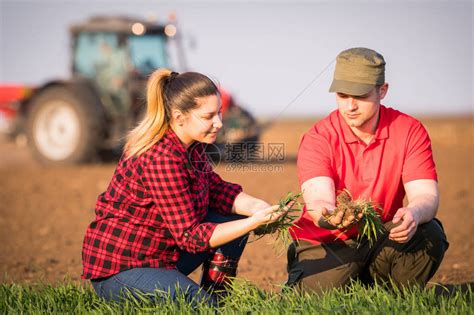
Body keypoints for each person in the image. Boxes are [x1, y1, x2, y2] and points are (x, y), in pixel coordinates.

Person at [82, 69, 289, 306]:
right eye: (209, 116)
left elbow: (216, 190)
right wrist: (254, 222)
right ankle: (207, 304)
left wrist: (256, 207)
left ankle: (218, 301)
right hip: (123, 268)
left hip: (161, 253)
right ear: (180, 117)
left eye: (219, 113)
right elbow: (191, 236)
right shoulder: (161, 158)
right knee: (200, 305)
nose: (219, 123)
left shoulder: (192, 145)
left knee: (232, 224)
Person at [286, 47, 449, 293]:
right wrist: (332, 216)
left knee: (430, 233)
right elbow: (318, 198)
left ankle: (392, 296)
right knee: (316, 302)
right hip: (327, 240)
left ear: (382, 91)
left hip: (381, 235)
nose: (350, 106)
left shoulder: (409, 131)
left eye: (360, 96)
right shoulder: (318, 137)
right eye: (342, 95)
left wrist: (414, 213)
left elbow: (426, 196)